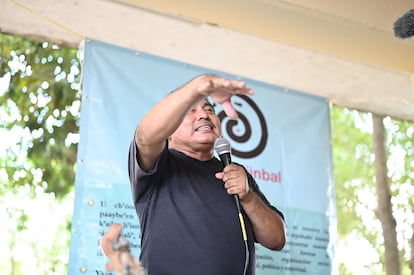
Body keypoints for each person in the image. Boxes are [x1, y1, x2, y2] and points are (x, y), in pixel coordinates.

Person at [128, 74, 286, 275]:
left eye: (209, 110)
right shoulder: (160, 164)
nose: (203, 115)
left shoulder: (234, 172)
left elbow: (277, 240)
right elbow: (144, 137)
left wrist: (247, 197)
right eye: (190, 111)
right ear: (168, 130)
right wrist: (199, 86)